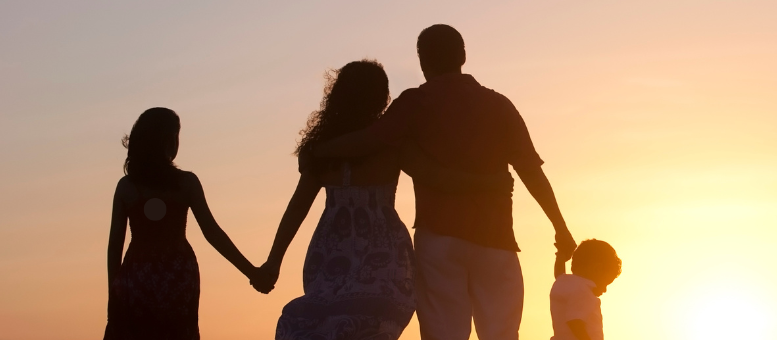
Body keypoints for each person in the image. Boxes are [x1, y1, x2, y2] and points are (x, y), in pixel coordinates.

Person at [313, 24, 577, 340]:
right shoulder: (499, 105)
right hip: (496, 240)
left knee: (443, 334)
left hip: (439, 241)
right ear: (463, 55)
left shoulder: (414, 103)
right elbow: (532, 172)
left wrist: (318, 151)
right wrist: (560, 227)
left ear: (423, 61)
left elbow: (370, 140)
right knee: (502, 333)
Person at [254, 60, 512, 340]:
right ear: (381, 97)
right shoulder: (392, 144)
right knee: (372, 325)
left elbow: (297, 208)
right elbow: (436, 177)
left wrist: (274, 261)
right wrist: (487, 183)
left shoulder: (321, 152)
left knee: (325, 325)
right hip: (383, 252)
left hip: (330, 252)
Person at [105, 107, 261, 340]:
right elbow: (213, 233)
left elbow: (114, 246)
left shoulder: (127, 187)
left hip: (136, 277)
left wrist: (113, 296)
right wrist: (252, 272)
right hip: (178, 276)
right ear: (168, 141)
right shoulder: (186, 183)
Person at [550, 239, 621, 340]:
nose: (604, 290)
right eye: (605, 283)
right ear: (597, 269)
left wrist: (560, 256)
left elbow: (559, 274)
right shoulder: (583, 291)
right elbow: (575, 322)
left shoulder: (564, 282)